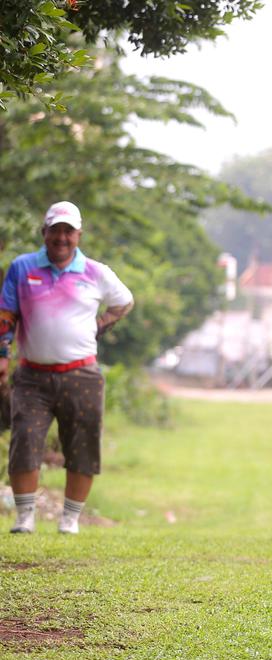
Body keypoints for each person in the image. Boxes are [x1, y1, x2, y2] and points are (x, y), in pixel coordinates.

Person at [2, 201, 134, 535]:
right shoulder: (22, 267)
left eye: (68, 231)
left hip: (81, 374)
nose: (62, 237)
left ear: (78, 235)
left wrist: (100, 325)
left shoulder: (95, 271)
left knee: (82, 444)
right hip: (32, 374)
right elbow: (6, 315)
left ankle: (70, 519)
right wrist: (3, 355)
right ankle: (25, 518)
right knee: (25, 439)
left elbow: (125, 301)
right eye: (55, 230)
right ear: (44, 232)